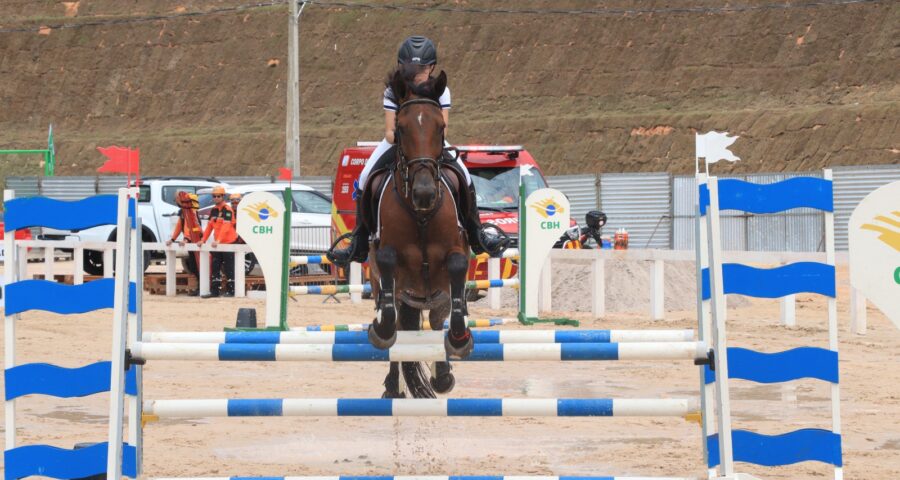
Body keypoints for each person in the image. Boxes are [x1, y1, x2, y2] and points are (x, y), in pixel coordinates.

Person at [328, 35, 507, 266]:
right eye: (411, 67)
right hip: (399, 142)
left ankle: (477, 233)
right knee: (364, 177)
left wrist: (423, 139)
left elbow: (443, 126)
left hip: (431, 142)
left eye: (422, 67)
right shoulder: (394, 91)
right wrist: (408, 137)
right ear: (402, 67)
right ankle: (359, 240)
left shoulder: (441, 90)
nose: (417, 72)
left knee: (464, 176)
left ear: (431, 67)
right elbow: (389, 133)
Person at [197, 185, 238, 298]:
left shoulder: (227, 209)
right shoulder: (214, 210)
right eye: (214, 196)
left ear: (223, 197)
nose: (216, 198)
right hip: (218, 244)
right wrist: (203, 240)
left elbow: (226, 226)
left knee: (229, 268)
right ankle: (214, 291)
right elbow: (210, 226)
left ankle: (231, 291)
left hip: (228, 242)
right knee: (215, 266)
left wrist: (218, 240)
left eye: (218, 196)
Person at [166, 191, 203, 296]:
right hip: (191, 240)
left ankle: (201, 287)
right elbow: (180, 225)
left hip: (195, 240)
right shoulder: (183, 211)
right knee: (193, 266)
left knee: (197, 265)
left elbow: (190, 226)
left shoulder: (191, 211)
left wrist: (186, 238)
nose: (176, 201)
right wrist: (173, 239)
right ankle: (199, 287)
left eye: (176, 199)